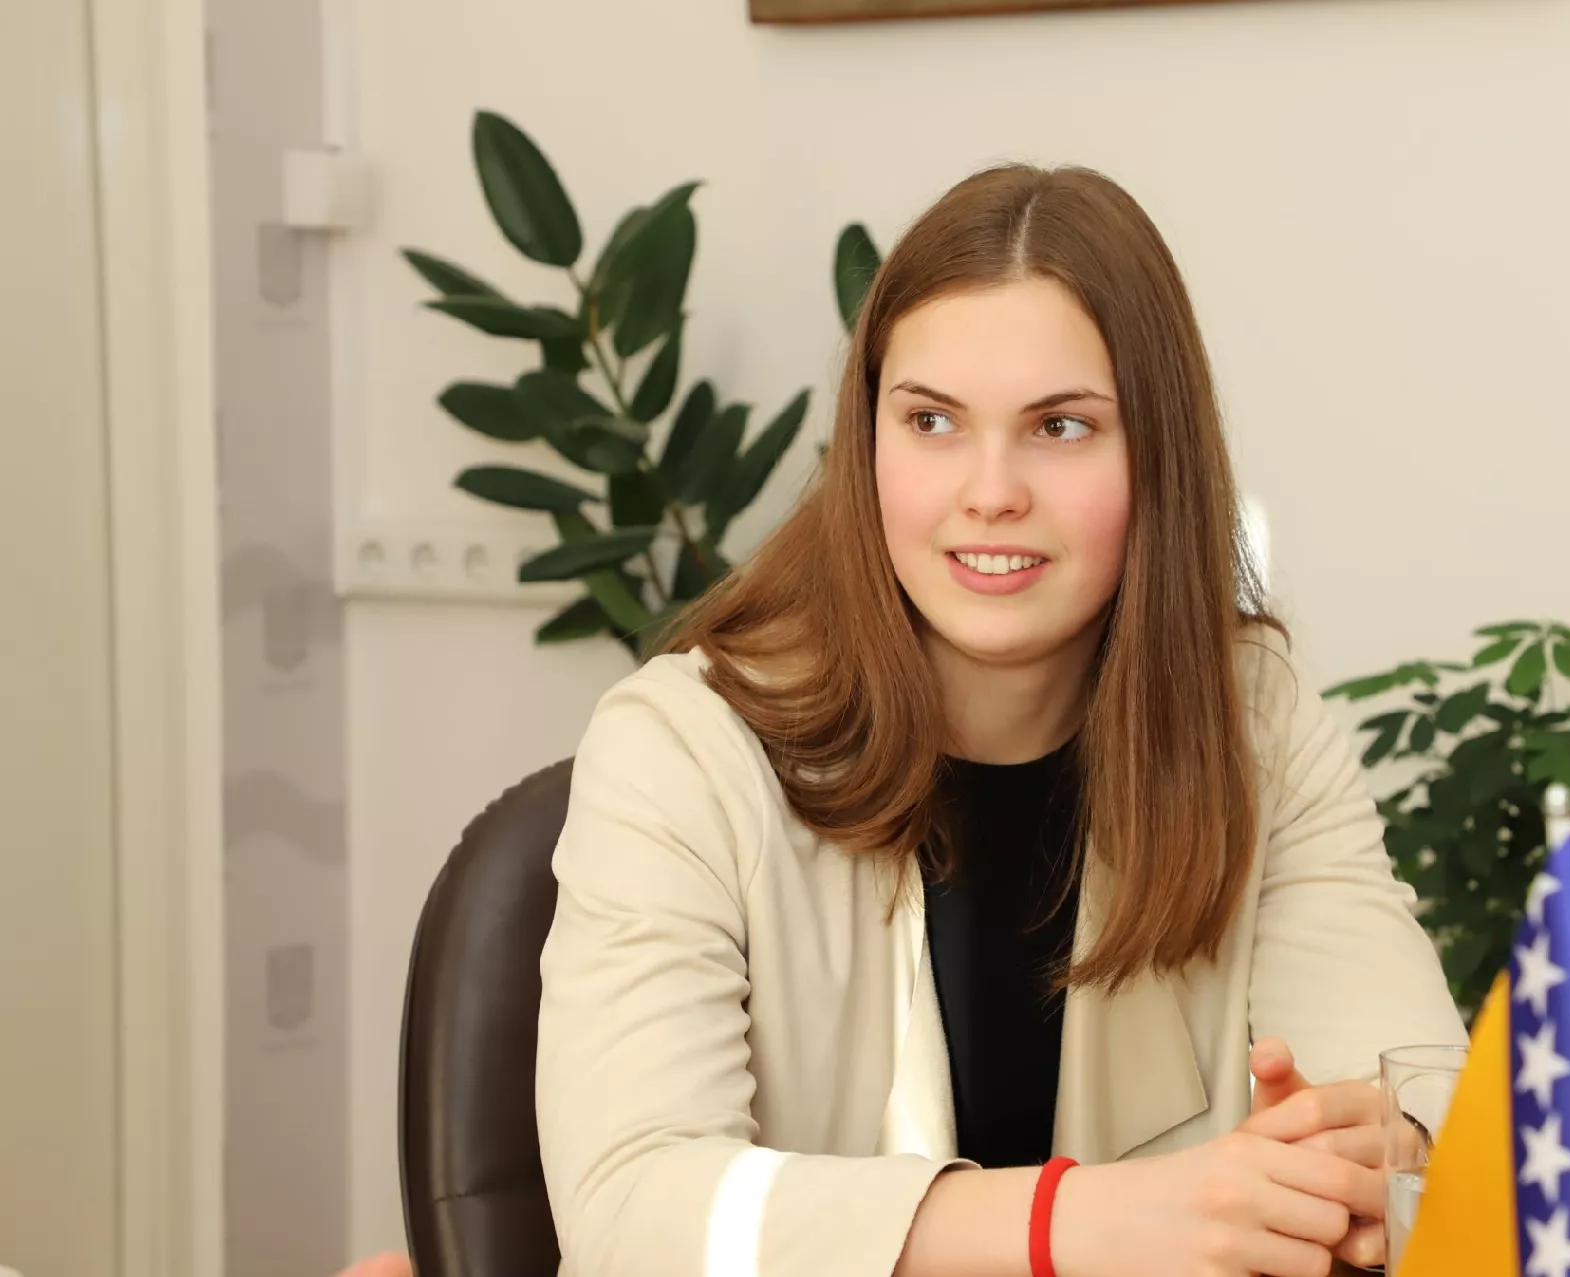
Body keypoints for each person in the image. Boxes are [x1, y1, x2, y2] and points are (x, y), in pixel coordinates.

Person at [533, 163, 1467, 1277]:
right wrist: (1075, 1222)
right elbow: (631, 1210)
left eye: (1059, 426)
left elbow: (1424, 1106)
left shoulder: (1251, 718)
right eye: (930, 420)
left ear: (1158, 455)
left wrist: (1382, 1163)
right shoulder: (680, 747)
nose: (989, 491)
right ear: (867, 442)